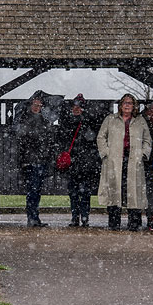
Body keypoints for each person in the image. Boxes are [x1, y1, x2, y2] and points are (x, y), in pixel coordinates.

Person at [97, 94, 152, 231]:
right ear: (120, 105)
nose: (127, 105)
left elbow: (147, 140)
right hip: (115, 160)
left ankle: (134, 222)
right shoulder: (110, 120)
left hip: (134, 160)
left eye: (130, 103)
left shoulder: (140, 121)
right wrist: (106, 153)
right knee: (115, 190)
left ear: (134, 106)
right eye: (124, 103)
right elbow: (101, 137)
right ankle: (114, 222)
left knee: (134, 191)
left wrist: (143, 154)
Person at [59, 93, 101, 227]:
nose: (76, 109)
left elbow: (92, 139)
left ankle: (83, 216)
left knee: (84, 192)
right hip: (74, 162)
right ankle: (76, 216)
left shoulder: (88, 121)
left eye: (79, 106)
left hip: (85, 163)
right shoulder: (67, 122)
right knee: (74, 192)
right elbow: (63, 140)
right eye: (74, 106)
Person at [16, 97, 53, 227]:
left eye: (39, 105)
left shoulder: (43, 120)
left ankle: (35, 217)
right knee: (32, 190)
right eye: (35, 105)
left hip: (40, 160)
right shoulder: (25, 119)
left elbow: (47, 139)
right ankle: (32, 217)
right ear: (31, 105)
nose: (37, 107)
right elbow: (23, 138)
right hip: (30, 161)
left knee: (36, 191)